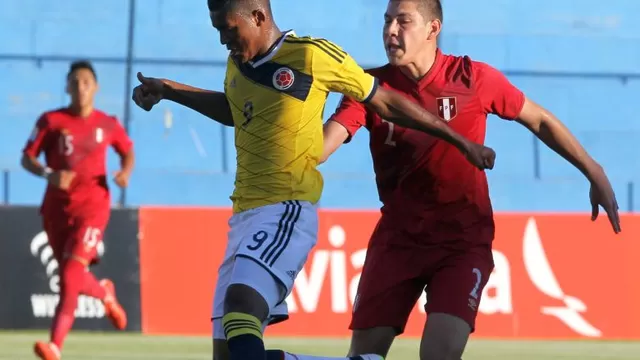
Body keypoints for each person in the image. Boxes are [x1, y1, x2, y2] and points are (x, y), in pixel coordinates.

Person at [131, 1, 498, 359]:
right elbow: (235, 109)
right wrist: (170, 89)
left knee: (241, 306)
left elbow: (384, 101)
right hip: (242, 216)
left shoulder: (311, 55)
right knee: (229, 352)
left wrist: (458, 140)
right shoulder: (238, 65)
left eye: (229, 29)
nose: (223, 39)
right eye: (218, 31)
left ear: (258, 17)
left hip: (284, 209)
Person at [268, 1, 622, 360]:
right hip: (397, 242)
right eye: (386, 21)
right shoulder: (370, 88)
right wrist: (282, 128)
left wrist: (594, 171)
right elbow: (322, 147)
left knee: (439, 355)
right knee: (363, 357)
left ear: (432, 29)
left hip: (461, 242)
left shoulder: (474, 78)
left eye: (402, 21)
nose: (390, 31)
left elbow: (539, 120)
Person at [22, 60, 133, 360]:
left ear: (95, 87)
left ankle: (55, 346)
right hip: (56, 210)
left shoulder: (107, 124)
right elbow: (27, 158)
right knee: (71, 275)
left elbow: (127, 150)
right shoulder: (51, 121)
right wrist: (49, 174)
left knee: (71, 273)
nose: (80, 88)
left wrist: (125, 172)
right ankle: (105, 293)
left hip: (93, 208)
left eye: (86, 82)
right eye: (75, 82)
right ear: (67, 87)